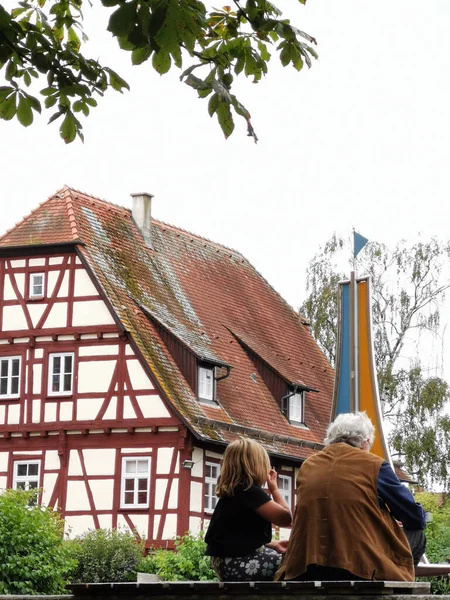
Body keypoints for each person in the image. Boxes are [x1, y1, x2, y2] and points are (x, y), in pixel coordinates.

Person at [275, 412, 426, 582]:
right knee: (417, 533)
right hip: (360, 568)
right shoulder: (374, 465)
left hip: (306, 567)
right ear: (365, 443)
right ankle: (397, 591)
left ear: (331, 438)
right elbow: (414, 517)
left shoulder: (308, 466)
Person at [205, 438, 292, 581]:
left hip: (225, 565)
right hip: (240, 565)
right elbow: (286, 518)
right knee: (296, 563)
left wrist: (272, 544)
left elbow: (238, 538)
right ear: (256, 466)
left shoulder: (232, 493)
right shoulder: (249, 491)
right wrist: (274, 489)